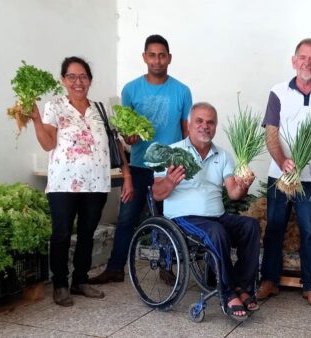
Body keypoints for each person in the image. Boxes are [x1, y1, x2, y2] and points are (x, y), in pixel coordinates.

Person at [30, 56, 133, 307]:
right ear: (63, 80)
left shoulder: (100, 109)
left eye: (83, 77)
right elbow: (48, 143)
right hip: (64, 183)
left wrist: (127, 175)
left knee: (88, 233)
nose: (78, 82)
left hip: (96, 183)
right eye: (72, 77)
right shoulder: (55, 106)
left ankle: (80, 280)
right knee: (62, 234)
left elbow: (117, 144)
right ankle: (60, 285)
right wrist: (34, 119)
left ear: (90, 80)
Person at [89, 34, 192, 284]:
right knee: (127, 218)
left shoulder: (182, 90)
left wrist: (186, 164)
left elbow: (186, 130)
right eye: (152, 55)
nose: (157, 60)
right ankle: (115, 268)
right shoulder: (131, 89)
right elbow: (126, 130)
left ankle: (167, 266)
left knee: (168, 218)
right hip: (137, 165)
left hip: (168, 166)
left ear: (169, 58)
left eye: (162, 55)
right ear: (144, 57)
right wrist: (129, 138)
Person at [152, 102, 260, 321]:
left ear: (215, 127)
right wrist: (170, 182)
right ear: (190, 125)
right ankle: (228, 293)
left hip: (215, 216)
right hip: (183, 218)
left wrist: (244, 184)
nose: (205, 126)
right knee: (216, 231)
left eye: (210, 122)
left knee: (250, 226)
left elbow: (233, 194)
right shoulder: (172, 153)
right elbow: (156, 193)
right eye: (199, 121)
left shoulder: (224, 155)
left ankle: (243, 286)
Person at [257, 38, 311, 307]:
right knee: (275, 228)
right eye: (302, 57)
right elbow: (271, 134)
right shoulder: (278, 91)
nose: (307, 63)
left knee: (310, 231)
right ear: (294, 61)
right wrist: (282, 161)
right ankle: (268, 280)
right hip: (280, 175)